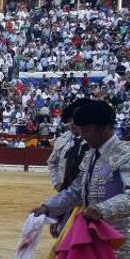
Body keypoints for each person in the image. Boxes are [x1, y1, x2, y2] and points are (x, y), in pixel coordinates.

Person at [31, 100, 130, 259]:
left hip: (119, 239)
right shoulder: (92, 155)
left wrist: (102, 209)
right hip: (91, 236)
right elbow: (76, 190)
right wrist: (49, 207)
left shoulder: (127, 155)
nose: (83, 136)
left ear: (106, 128)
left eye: (87, 130)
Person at [45, 98, 89, 237]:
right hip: (67, 196)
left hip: (90, 203)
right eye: (69, 121)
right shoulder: (63, 140)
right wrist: (58, 184)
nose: (71, 124)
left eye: (74, 121)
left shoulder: (96, 143)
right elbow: (52, 163)